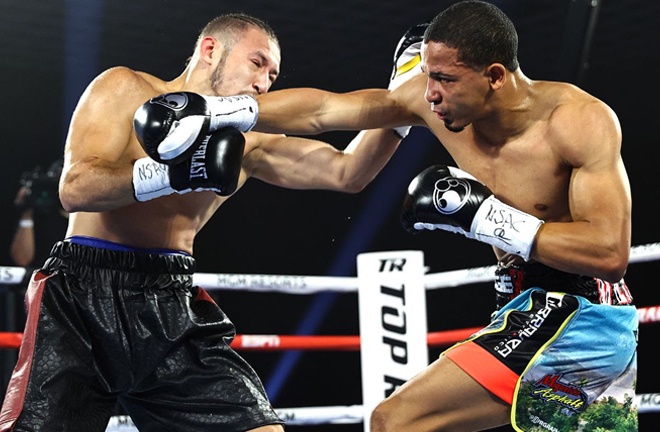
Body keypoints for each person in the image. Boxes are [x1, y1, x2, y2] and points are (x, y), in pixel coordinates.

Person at [0, 13, 405, 432]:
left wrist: (409, 100)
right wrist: (175, 173)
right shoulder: (126, 88)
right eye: (257, 63)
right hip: (82, 292)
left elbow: (348, 172)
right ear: (210, 50)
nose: (264, 83)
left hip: (170, 298)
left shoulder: (250, 141)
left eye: (273, 74)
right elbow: (77, 189)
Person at [249, 1, 638, 431]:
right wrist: (218, 110)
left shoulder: (577, 120)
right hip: (520, 302)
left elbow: (609, 253)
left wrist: (487, 218)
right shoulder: (436, 102)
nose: (429, 92)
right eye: (428, 75)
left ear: (494, 76)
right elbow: (325, 111)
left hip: (581, 314)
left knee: (395, 422)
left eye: (445, 79)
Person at [10, 159, 68, 268]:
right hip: (41, 280)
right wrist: (26, 211)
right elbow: (22, 259)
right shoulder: (39, 215)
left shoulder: (89, 217)